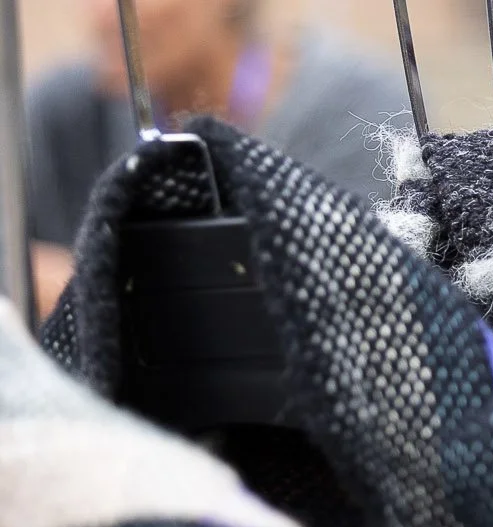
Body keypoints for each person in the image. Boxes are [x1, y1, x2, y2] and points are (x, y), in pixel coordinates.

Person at [27, 0, 409, 316]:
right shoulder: (65, 112)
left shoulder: (362, 116)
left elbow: (352, 305)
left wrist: (88, 287)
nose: (101, 16)